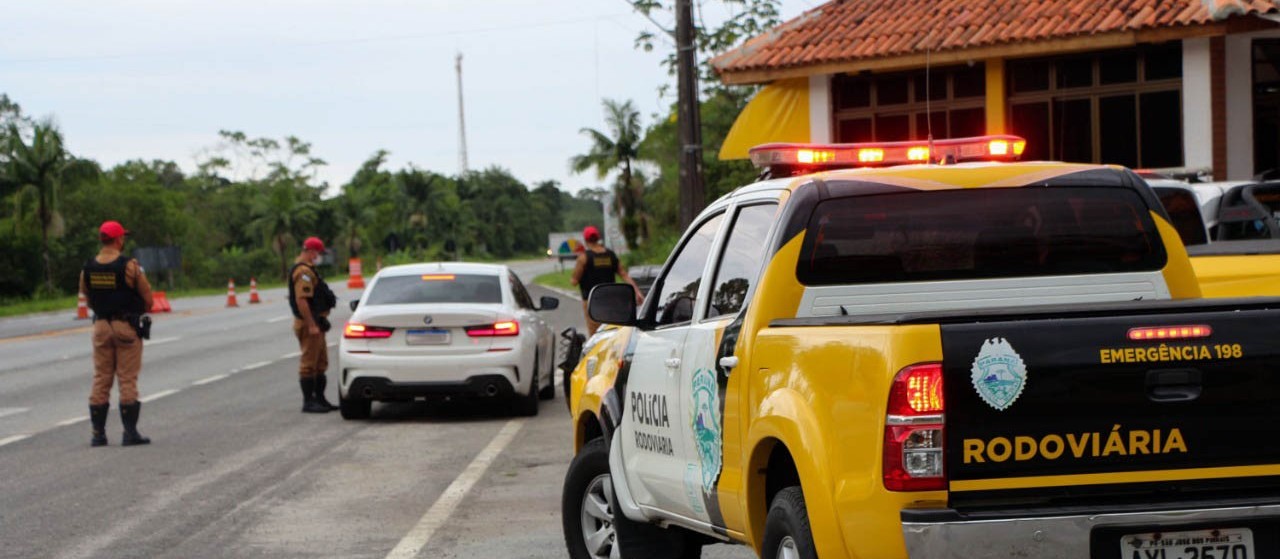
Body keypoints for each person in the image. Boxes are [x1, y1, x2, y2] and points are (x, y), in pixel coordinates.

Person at [81, 220, 154, 447]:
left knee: (101, 378)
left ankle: (98, 434)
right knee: (127, 378)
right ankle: (130, 433)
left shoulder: (88, 267)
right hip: (125, 327)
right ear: (119, 239)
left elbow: (87, 295)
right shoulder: (129, 266)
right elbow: (148, 298)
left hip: (101, 326)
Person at [289, 237, 338, 413]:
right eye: (318, 253)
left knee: (320, 362)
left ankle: (320, 399)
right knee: (309, 363)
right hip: (309, 323)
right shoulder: (303, 272)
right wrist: (311, 324)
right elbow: (302, 300)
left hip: (317, 321)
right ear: (311, 251)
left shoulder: (309, 269)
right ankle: (308, 401)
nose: (319, 257)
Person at [570, 225, 642, 336]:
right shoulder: (610, 255)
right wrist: (637, 292)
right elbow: (624, 274)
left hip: (592, 301)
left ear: (585, 240)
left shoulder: (584, 258)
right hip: (611, 300)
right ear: (598, 238)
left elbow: (574, 281)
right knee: (611, 332)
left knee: (595, 335)